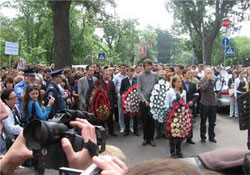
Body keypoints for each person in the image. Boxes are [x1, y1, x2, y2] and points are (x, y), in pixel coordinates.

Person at [137, 59, 158, 147]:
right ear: (144, 66)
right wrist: (144, 100)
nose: (148, 67)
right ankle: (146, 139)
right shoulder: (140, 75)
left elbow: (157, 86)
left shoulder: (155, 74)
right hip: (144, 101)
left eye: (149, 65)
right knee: (145, 120)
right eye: (146, 66)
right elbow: (139, 89)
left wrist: (155, 97)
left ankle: (151, 138)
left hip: (153, 100)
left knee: (152, 120)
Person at [165, 76, 187, 158]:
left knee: (180, 133)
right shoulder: (170, 92)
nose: (179, 83)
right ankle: (172, 151)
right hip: (172, 115)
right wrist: (170, 111)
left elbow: (185, 103)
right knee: (172, 134)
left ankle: (179, 151)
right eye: (178, 82)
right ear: (174, 83)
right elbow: (166, 104)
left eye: (180, 82)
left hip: (181, 115)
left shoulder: (183, 92)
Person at [199, 68, 217, 143]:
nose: (209, 74)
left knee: (212, 121)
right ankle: (203, 136)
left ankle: (211, 136)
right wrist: (208, 80)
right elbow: (203, 88)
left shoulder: (214, 80)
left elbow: (216, 88)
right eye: (207, 73)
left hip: (213, 103)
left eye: (210, 73)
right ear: (205, 73)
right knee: (203, 121)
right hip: (204, 103)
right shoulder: (202, 80)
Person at [120, 67, 139, 137]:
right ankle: (126, 130)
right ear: (127, 72)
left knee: (136, 116)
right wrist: (123, 95)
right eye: (129, 72)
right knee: (126, 116)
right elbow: (121, 90)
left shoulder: (136, 79)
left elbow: (139, 89)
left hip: (135, 101)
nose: (131, 73)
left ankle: (135, 130)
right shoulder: (124, 80)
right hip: (127, 101)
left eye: (132, 72)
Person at [182, 69, 198, 144]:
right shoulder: (180, 83)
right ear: (184, 74)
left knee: (190, 122)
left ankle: (189, 138)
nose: (190, 74)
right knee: (181, 122)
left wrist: (193, 101)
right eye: (189, 73)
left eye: (191, 73)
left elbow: (196, 94)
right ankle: (181, 137)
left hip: (190, 105)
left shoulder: (193, 84)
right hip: (181, 106)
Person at [101, 67, 118, 137]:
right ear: (102, 75)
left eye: (108, 74)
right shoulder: (99, 83)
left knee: (110, 119)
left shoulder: (111, 83)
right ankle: (104, 133)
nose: (107, 75)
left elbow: (114, 93)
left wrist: (115, 103)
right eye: (105, 74)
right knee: (103, 119)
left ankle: (111, 132)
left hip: (111, 103)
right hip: (103, 104)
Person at [113, 63, 128, 133]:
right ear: (119, 69)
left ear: (126, 68)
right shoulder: (116, 77)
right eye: (122, 68)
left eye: (124, 68)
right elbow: (113, 85)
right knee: (121, 112)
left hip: (129, 96)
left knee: (129, 111)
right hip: (120, 96)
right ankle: (122, 126)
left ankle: (129, 126)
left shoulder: (129, 76)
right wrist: (116, 91)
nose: (123, 69)